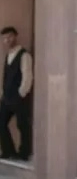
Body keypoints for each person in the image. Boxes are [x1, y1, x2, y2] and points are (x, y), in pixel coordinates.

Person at [0, 26, 32, 161]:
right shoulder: (8, 55)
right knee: (1, 122)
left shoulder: (24, 55)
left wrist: (21, 93)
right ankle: (8, 151)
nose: (7, 40)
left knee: (22, 125)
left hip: (19, 97)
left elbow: (27, 76)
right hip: (7, 97)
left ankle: (24, 153)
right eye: (5, 38)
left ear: (15, 36)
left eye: (10, 37)